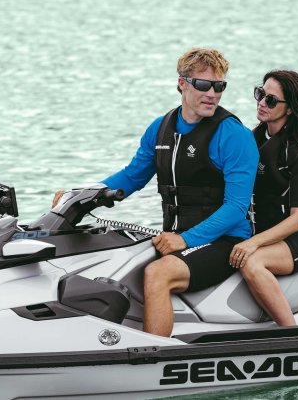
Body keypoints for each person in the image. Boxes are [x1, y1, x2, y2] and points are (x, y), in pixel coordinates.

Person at [56, 48, 258, 337]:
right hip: (176, 237)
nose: (212, 94)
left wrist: (185, 239)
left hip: (224, 241)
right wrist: (79, 196)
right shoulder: (161, 129)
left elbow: (236, 207)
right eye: (203, 85)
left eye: (219, 86)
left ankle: (153, 353)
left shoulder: (234, 135)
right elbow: (131, 176)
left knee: (157, 273)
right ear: (182, 83)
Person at [229, 70, 298, 327]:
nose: (262, 103)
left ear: (291, 109)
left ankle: (291, 335)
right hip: (265, 233)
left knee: (251, 263)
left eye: (271, 100)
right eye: (260, 94)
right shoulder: (253, 139)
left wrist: (253, 244)